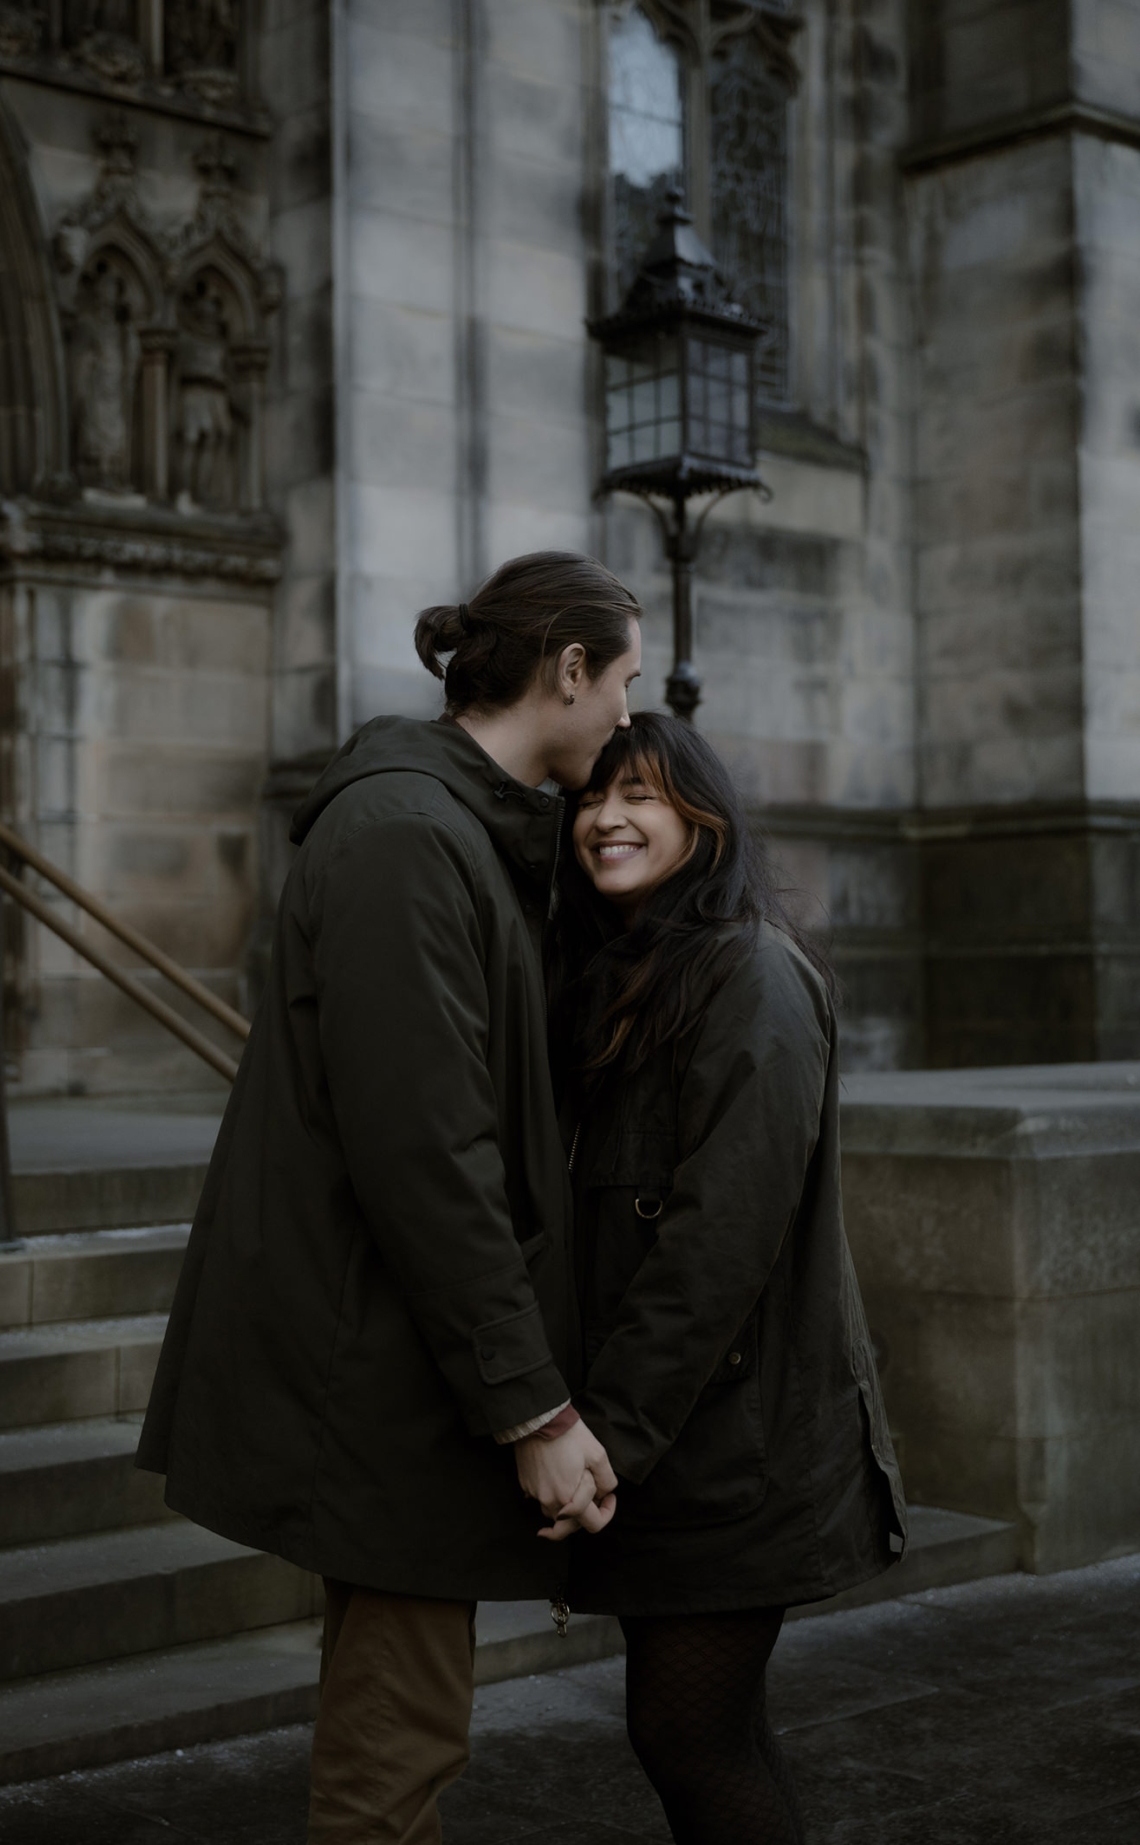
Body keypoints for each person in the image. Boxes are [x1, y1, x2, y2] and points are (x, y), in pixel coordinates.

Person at [137, 551, 643, 1843]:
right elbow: (427, 1152)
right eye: (623, 681)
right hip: (380, 1357)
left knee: (405, 1727)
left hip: (399, 1352)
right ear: (567, 668)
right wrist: (530, 1402)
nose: (630, 717)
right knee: (399, 1747)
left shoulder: (453, 826)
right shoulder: (409, 833)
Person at [548, 711, 908, 1845]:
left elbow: (718, 1243)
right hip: (681, 1443)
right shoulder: (625, 973)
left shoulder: (749, 974)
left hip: (734, 1447)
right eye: (591, 798)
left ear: (701, 818)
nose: (606, 818)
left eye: (641, 796)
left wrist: (608, 1433)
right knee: (716, 1733)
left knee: (686, 1735)